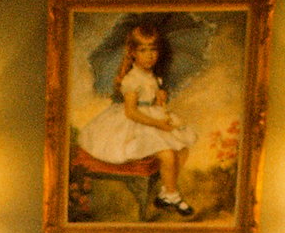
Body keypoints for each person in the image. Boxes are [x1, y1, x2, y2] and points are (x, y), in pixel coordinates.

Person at [75, 22, 198, 216]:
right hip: (135, 124)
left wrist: (159, 99)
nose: (149, 55)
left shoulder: (153, 76)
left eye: (153, 49)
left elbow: (152, 104)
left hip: (151, 118)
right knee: (167, 154)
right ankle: (173, 196)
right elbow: (131, 112)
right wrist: (158, 123)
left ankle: (166, 193)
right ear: (132, 52)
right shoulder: (131, 79)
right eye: (143, 50)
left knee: (182, 149)